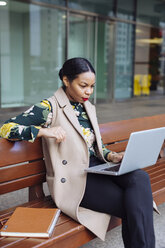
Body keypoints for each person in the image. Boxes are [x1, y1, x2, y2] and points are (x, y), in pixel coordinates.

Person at [0, 57, 155, 248]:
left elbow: (94, 145)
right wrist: (44, 131)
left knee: (140, 177)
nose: (88, 91)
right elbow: (6, 128)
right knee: (135, 204)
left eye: (92, 86)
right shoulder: (49, 107)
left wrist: (111, 156)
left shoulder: (87, 107)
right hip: (75, 179)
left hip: (97, 169)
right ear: (66, 80)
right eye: (83, 85)